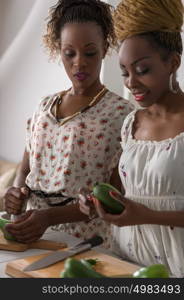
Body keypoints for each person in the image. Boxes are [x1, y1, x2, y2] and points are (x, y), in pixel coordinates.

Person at [4, 0, 134, 248]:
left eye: (90, 52)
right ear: (58, 49)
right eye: (69, 53)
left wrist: (50, 217)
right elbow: (24, 171)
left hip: (83, 244)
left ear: (105, 47)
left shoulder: (121, 114)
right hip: (30, 237)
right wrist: (15, 194)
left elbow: (115, 198)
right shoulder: (43, 107)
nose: (79, 63)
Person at [79, 0, 184, 277]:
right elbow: (125, 193)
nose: (130, 82)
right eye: (125, 72)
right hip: (125, 263)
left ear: (173, 62)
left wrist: (147, 216)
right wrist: (95, 202)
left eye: (142, 70)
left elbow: (143, 209)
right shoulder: (131, 124)